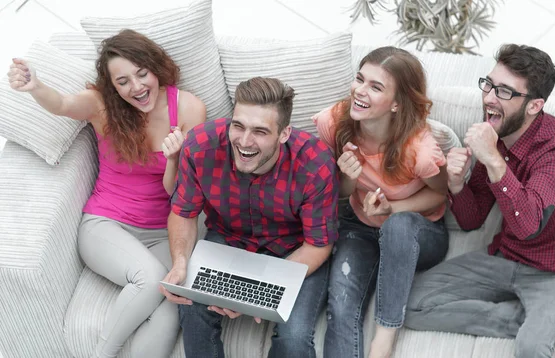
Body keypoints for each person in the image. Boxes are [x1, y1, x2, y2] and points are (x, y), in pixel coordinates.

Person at [7, 29, 206, 358]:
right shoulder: (102, 106)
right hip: (106, 225)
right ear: (112, 85)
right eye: (123, 81)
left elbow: (178, 194)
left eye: (142, 74)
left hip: (162, 233)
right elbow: (62, 104)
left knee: (172, 304)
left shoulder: (188, 109)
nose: (137, 87)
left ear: (156, 68)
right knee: (152, 277)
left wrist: (174, 159)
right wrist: (35, 86)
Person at [404, 44, 555, 358]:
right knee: (410, 304)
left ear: (535, 105)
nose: (489, 98)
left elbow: (528, 226)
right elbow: (472, 221)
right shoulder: (495, 135)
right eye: (489, 84)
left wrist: (493, 160)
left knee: (531, 347)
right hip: (507, 257)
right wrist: (456, 184)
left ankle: (539, 326)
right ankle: (525, 319)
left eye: (505, 92)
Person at [159, 76, 339, 358]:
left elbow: (319, 244)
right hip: (230, 237)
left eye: (260, 131)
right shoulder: (201, 145)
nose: (244, 141)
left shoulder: (316, 163)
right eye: (238, 126)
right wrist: (180, 263)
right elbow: (183, 212)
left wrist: (252, 289)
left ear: (284, 133)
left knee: (294, 339)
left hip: (296, 248)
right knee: (191, 309)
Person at [313, 46, 450, 358]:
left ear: (397, 104)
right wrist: (347, 175)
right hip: (360, 226)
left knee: (398, 226)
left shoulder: (420, 150)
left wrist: (393, 209)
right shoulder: (333, 122)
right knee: (342, 303)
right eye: (360, 79)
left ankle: (383, 342)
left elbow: (440, 194)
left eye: (375, 87)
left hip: (417, 232)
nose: (360, 91)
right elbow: (338, 193)